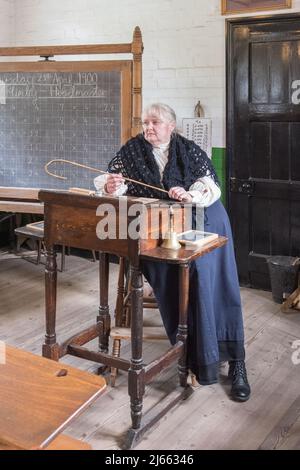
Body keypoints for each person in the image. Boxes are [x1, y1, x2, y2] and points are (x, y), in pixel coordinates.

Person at [94, 103, 251, 402]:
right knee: (174, 278)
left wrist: (190, 194)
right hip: (160, 228)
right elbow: (110, 181)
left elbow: (210, 185)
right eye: (144, 123)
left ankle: (236, 361)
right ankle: (193, 356)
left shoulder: (188, 149)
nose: (148, 128)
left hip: (205, 221)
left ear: (171, 126)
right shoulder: (132, 150)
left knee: (211, 280)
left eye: (154, 122)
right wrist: (112, 187)